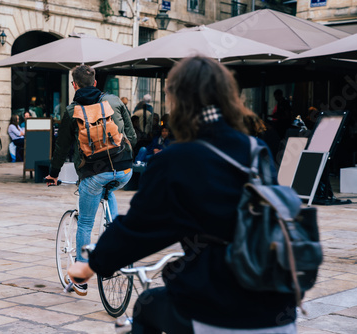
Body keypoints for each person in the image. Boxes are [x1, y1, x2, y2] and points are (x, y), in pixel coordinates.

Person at [68, 56, 298, 333]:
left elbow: (140, 228)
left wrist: (92, 265)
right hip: (281, 306)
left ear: (178, 100)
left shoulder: (176, 159)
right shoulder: (255, 149)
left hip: (220, 308)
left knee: (147, 305)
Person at [45, 64, 136, 296]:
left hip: (94, 173)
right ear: (95, 82)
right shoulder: (115, 101)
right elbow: (133, 136)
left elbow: (62, 147)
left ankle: (80, 278)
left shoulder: (70, 111)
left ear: (74, 85)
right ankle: (116, 246)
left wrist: (54, 173)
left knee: (85, 223)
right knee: (110, 189)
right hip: (124, 171)